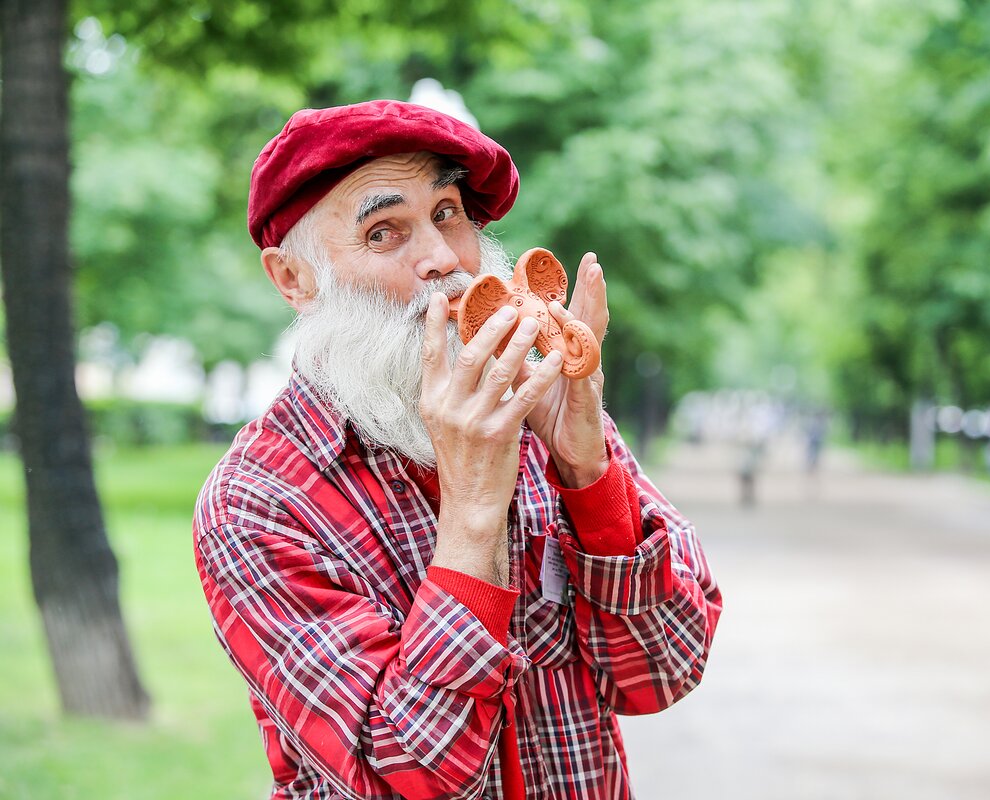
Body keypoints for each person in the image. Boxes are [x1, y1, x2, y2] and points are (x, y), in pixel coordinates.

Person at [192, 99, 722, 800]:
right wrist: (474, 515)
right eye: (384, 232)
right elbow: (414, 774)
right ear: (294, 279)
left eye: (447, 213)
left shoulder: (540, 412)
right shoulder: (256, 503)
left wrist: (587, 476)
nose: (442, 259)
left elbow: (663, 669)